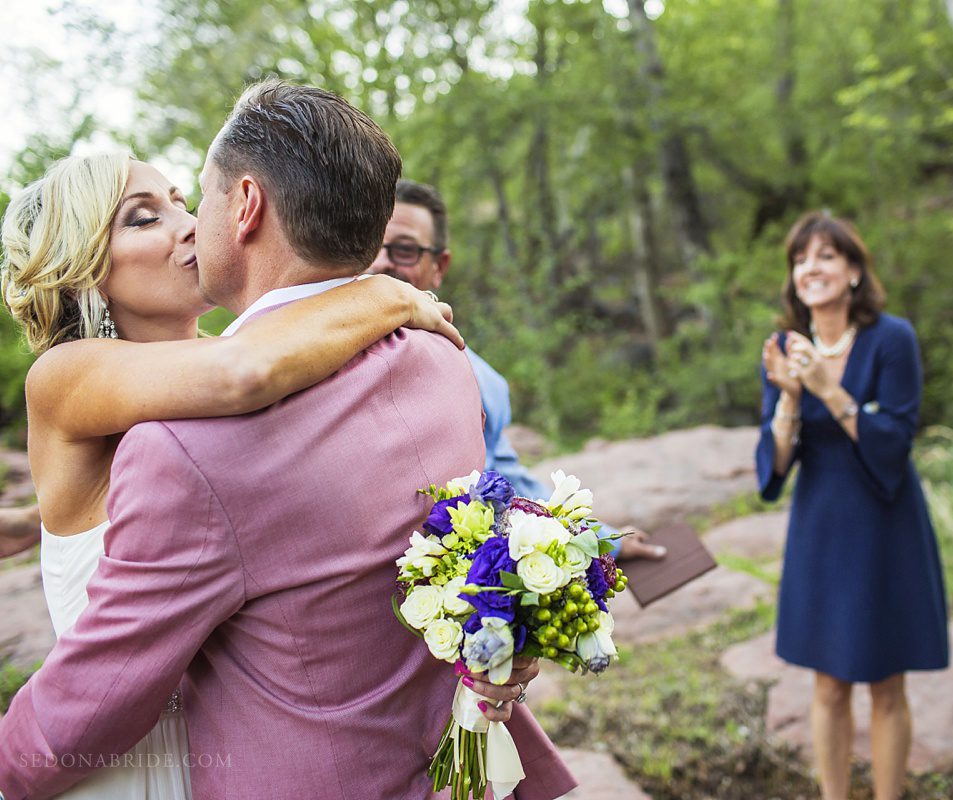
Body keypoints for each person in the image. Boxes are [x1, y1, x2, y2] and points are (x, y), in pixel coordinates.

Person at [0, 82, 574, 799]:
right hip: (127, 757)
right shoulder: (70, 376)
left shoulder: (228, 383)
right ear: (83, 267)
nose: (184, 223)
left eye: (183, 200)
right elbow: (246, 372)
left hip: (228, 745)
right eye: (144, 218)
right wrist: (386, 293)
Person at [365, 179, 666, 562]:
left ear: (438, 266)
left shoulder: (478, 378)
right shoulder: (305, 350)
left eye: (404, 250)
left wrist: (603, 539)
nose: (383, 261)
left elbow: (506, 483)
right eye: (372, 244)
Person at [756, 211, 948, 800]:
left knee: (888, 683)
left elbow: (895, 443)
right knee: (828, 683)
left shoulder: (893, 339)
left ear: (855, 271)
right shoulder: (785, 347)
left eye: (826, 256)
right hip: (822, 524)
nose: (811, 268)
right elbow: (774, 469)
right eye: (801, 258)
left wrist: (829, 391)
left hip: (886, 518)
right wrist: (790, 395)